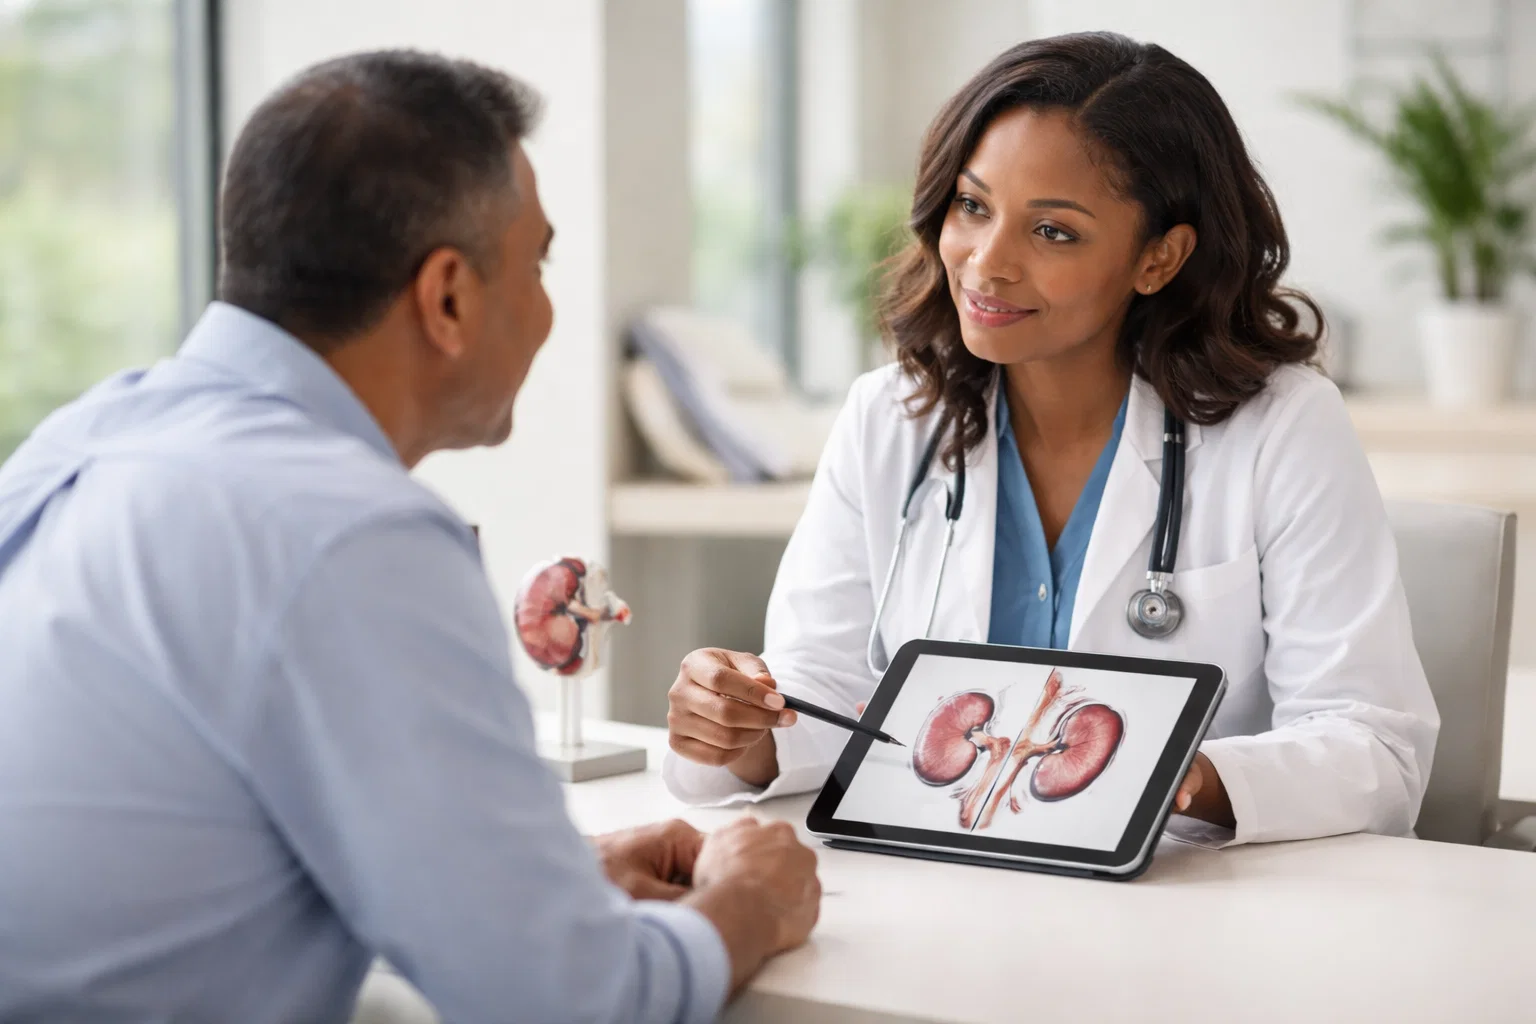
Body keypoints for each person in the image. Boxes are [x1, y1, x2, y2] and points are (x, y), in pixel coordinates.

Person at [0, 51, 819, 1023]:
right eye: (539, 262)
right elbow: (573, 1001)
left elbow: (170, 851)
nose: (551, 308)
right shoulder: (350, 532)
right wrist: (748, 904)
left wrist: (537, 884)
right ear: (448, 297)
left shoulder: (80, 438)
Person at [663, 32, 1439, 848]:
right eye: (973, 206)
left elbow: (1375, 748)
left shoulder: (1282, 426)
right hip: (942, 889)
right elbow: (826, 691)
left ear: (1160, 257)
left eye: (1054, 233)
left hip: (1190, 914)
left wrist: (1181, 774)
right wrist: (745, 731)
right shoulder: (891, 419)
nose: (986, 264)